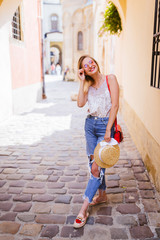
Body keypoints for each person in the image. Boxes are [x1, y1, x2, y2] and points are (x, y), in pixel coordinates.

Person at [74, 55, 119, 228]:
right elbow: (80, 103)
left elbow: (114, 106)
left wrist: (108, 129)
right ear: (83, 70)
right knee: (96, 163)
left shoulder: (111, 79)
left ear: (96, 62)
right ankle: (102, 195)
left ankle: (83, 210)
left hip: (104, 127)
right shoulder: (88, 85)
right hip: (90, 126)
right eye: (86, 66)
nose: (90, 65)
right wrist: (81, 81)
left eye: (91, 62)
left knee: (95, 168)